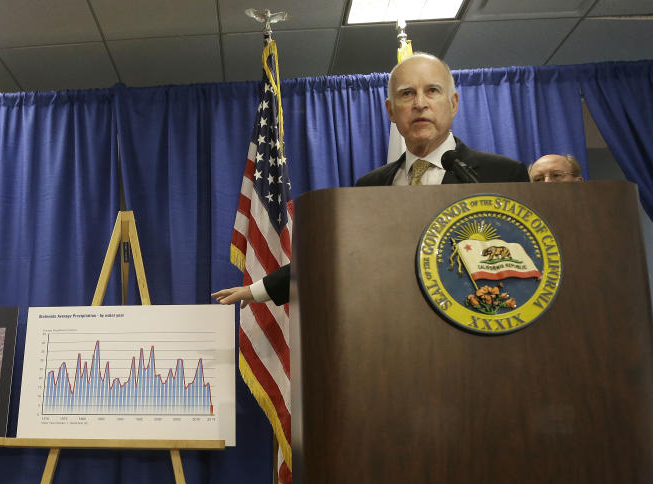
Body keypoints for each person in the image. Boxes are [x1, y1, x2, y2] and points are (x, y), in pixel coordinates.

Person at [212, 52, 530, 307]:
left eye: (432, 91)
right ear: (391, 111)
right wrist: (258, 289)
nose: (420, 103)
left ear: (454, 103)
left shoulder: (500, 175)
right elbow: (334, 256)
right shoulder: (370, 187)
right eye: (407, 94)